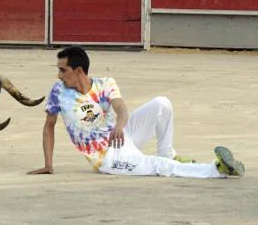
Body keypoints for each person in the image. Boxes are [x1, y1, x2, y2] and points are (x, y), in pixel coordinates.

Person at [28, 46, 245, 178]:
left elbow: (121, 107)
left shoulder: (105, 83)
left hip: (121, 135)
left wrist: (120, 127)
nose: (58, 75)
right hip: (106, 157)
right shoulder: (58, 92)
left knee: (162, 103)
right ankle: (216, 170)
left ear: (78, 71)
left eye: (62, 70)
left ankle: (166, 152)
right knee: (158, 167)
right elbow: (49, 126)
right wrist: (48, 164)